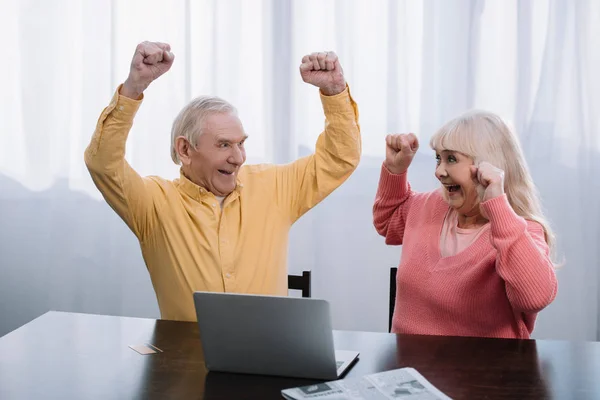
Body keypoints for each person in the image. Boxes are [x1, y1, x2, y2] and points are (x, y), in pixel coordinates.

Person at [84, 41, 361, 321]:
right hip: (188, 360)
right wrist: (133, 89)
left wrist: (335, 90)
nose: (238, 157)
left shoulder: (274, 186)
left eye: (241, 144)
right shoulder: (154, 204)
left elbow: (340, 158)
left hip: (268, 357)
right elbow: (103, 164)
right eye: (224, 145)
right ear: (185, 150)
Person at [374, 110, 557, 339]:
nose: (439, 171)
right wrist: (395, 169)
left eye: (451, 159)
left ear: (487, 166)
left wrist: (497, 205)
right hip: (408, 369)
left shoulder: (521, 231)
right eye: (438, 158)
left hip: (485, 371)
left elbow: (535, 298)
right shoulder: (430, 205)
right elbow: (388, 223)